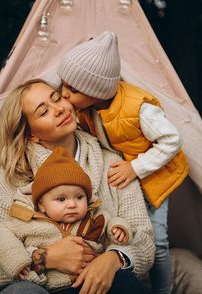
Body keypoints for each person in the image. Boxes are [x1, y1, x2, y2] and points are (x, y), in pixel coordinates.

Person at [0, 78, 155, 294]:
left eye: (57, 98)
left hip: (100, 285)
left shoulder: (114, 164)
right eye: (43, 112)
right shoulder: (11, 176)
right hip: (41, 287)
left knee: (123, 283)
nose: (59, 109)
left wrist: (114, 258)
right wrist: (45, 258)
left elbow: (144, 238)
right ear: (31, 134)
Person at [57, 31, 189, 294]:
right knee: (125, 235)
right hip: (123, 184)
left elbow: (172, 141)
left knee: (158, 240)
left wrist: (135, 168)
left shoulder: (139, 108)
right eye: (63, 85)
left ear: (96, 91)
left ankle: (162, 291)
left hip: (154, 177)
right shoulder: (87, 109)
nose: (64, 94)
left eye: (72, 90)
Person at [0, 146, 134, 292]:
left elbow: (111, 222)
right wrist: (19, 261)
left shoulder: (95, 216)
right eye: (61, 199)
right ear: (42, 205)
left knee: (125, 280)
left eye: (79, 197)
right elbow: (1, 236)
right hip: (50, 287)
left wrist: (118, 229)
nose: (72, 204)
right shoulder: (26, 222)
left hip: (90, 283)